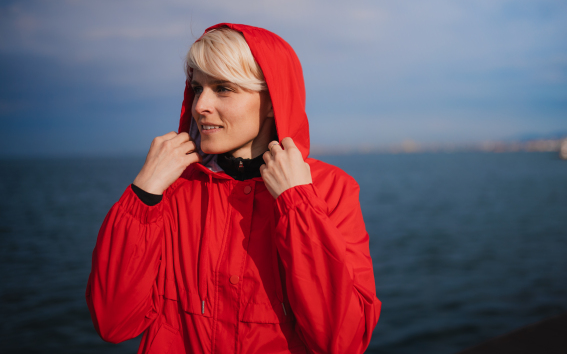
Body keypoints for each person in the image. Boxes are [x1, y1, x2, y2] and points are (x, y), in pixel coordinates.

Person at [86, 23, 381, 354]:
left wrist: (297, 204)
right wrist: (143, 194)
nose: (200, 106)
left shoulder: (329, 190)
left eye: (223, 88)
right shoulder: (170, 188)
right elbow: (114, 323)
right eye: (197, 88)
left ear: (273, 101)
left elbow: (341, 343)